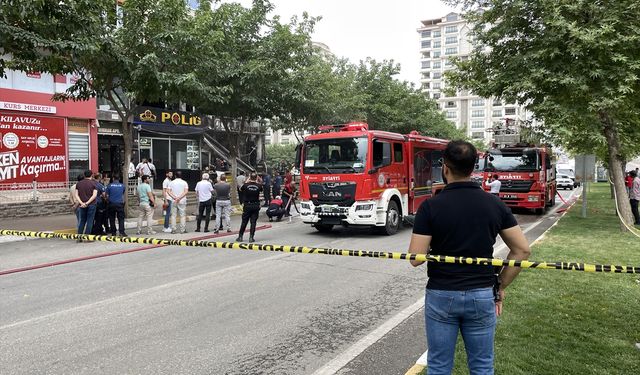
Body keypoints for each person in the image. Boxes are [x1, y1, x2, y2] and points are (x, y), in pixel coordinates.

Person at [408, 140, 531, 375]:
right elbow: (522, 250)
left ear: (445, 167)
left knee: (439, 365)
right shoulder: (494, 204)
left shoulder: (431, 206)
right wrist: (500, 285)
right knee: (482, 365)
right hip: (482, 294)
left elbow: (416, 258)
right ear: (473, 167)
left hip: (442, 294)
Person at [236, 172, 262, 242]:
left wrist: (247, 181)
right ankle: (251, 237)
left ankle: (240, 236)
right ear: (256, 178)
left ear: (250, 177)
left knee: (244, 221)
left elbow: (240, 189)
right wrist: (257, 180)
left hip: (247, 205)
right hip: (255, 205)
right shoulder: (259, 186)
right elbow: (261, 188)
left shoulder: (246, 185)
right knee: (253, 222)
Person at [74, 170, 98, 241]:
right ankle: (87, 237)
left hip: (82, 205)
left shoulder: (79, 184)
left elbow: (76, 195)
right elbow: (94, 195)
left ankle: (79, 237)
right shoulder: (94, 184)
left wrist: (82, 203)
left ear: (84, 175)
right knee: (90, 221)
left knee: (82, 221)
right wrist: (87, 203)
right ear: (91, 175)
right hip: (91, 204)